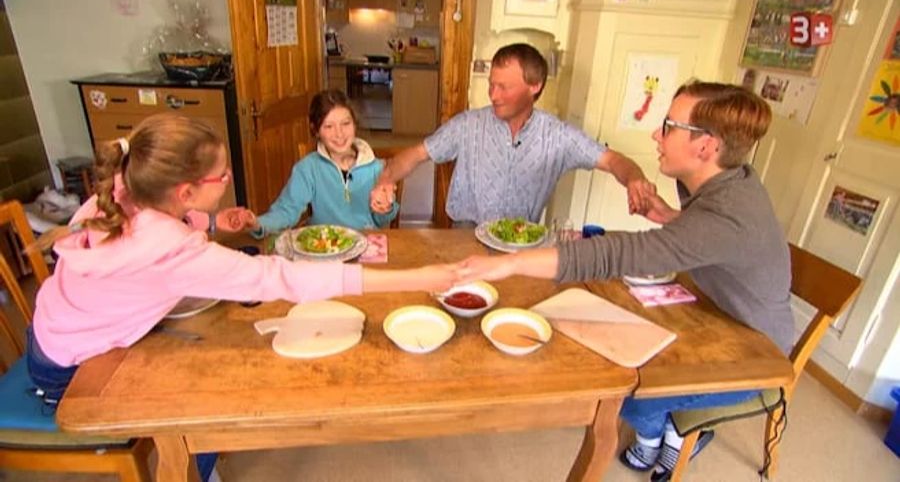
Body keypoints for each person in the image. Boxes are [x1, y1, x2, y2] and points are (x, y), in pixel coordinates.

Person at [25, 114, 459, 480]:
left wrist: (211, 223)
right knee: (202, 402)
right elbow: (282, 278)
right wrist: (419, 276)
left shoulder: (124, 186)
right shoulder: (171, 249)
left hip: (54, 330)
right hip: (70, 369)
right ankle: (196, 468)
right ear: (185, 191)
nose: (230, 178)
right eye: (223, 174)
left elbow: (161, 225)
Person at [457, 81, 793, 481]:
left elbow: (618, 254)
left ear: (706, 146)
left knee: (627, 392)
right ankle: (665, 429)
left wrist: (509, 265)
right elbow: (710, 236)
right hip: (710, 313)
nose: (656, 134)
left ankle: (671, 433)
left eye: (668, 126)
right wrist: (674, 220)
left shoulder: (728, 215)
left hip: (753, 352)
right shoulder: (729, 178)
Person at [369, 43, 655, 225]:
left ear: (535, 86)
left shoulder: (557, 135)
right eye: (491, 84)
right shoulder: (468, 124)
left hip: (522, 243)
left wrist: (635, 179)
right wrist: (385, 179)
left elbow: (612, 160)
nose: (493, 95)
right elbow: (416, 154)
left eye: (503, 87)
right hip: (465, 236)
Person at [238, 90, 398, 236]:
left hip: (365, 245)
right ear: (316, 131)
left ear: (355, 124)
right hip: (322, 247)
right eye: (328, 126)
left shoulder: (378, 168)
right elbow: (287, 210)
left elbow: (381, 220)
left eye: (346, 124)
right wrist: (258, 223)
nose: (339, 133)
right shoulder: (307, 168)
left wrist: (385, 208)